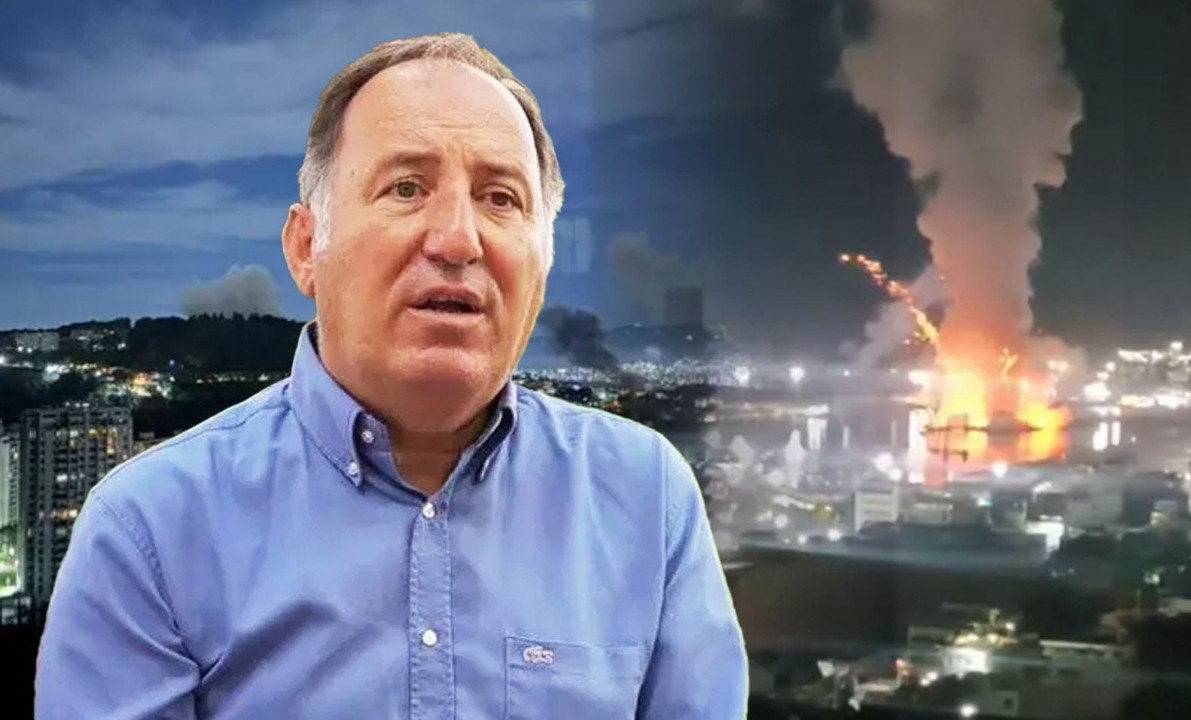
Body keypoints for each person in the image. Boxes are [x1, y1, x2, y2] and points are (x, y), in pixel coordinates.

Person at [35, 33, 748, 719]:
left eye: (501, 198)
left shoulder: (646, 499)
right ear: (306, 247)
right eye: (407, 188)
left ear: (545, 262)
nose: (458, 239)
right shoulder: (151, 531)